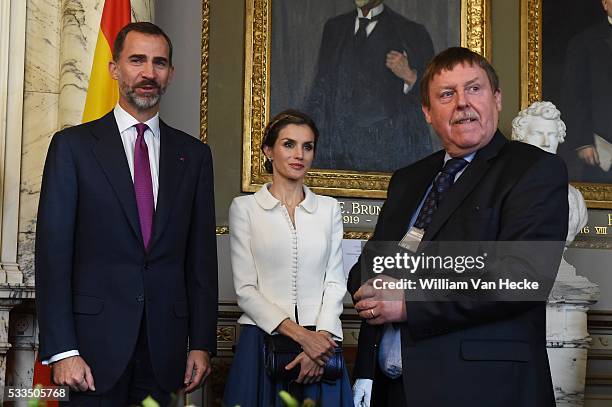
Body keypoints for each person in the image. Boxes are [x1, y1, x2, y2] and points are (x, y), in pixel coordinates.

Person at [349, 47, 568, 406]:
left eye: (474, 89)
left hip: (481, 389)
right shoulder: (408, 180)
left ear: (497, 99)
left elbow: (521, 276)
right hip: (393, 390)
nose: (462, 103)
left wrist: (410, 299)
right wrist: (371, 284)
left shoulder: (533, 170)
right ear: (427, 112)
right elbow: (368, 264)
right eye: (447, 94)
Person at [35, 22, 218, 406]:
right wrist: (62, 350)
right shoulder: (73, 148)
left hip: (165, 351)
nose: (148, 73)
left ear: (170, 74)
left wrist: (201, 343)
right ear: (114, 68)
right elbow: (53, 256)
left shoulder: (194, 156)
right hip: (89, 353)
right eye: (137, 60)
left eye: (159, 63)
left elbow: (201, 260)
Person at [223, 110, 353, 406]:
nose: (299, 155)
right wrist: (303, 339)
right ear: (268, 151)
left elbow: (334, 282)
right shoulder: (245, 208)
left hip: (322, 344)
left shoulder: (329, 209)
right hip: (261, 343)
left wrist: (319, 344)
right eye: (289, 144)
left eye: (307, 147)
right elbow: (246, 290)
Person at [306, 0, 435, 172]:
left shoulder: (412, 32)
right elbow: (321, 88)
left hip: (388, 152)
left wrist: (410, 75)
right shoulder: (334, 28)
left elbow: (433, 95)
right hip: (337, 152)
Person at [560, 0, 612, 182]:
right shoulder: (584, 42)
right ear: (605, 4)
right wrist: (583, 142)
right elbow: (573, 95)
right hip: (602, 147)